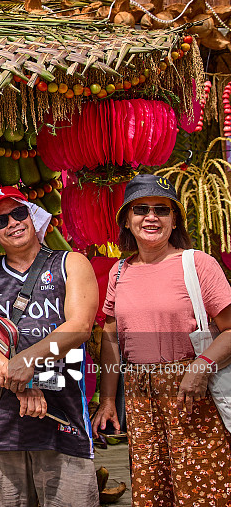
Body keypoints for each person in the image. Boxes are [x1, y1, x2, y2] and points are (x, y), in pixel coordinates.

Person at [92, 174, 231, 505]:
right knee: (151, 492)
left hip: (193, 394)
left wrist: (202, 365)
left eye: (162, 210)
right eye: (141, 209)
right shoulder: (119, 272)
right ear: (127, 219)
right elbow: (111, 340)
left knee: (202, 491)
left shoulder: (197, 264)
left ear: (174, 220)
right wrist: (108, 399)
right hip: (140, 399)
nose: (151, 217)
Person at [0, 187, 99, 507]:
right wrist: (20, 379)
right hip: (2, 429)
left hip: (64, 421)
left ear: (33, 216)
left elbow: (79, 326)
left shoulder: (71, 264)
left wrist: (29, 360)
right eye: (0, 219)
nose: (13, 223)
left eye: (19, 213)